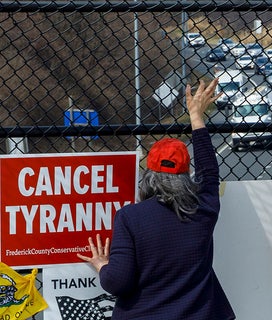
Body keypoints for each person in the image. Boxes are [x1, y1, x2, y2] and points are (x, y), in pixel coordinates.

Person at [77, 79, 235, 320]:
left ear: (149, 175)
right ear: (185, 174)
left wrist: (101, 264)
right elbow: (209, 173)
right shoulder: (202, 209)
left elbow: (118, 282)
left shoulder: (131, 217)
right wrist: (196, 117)